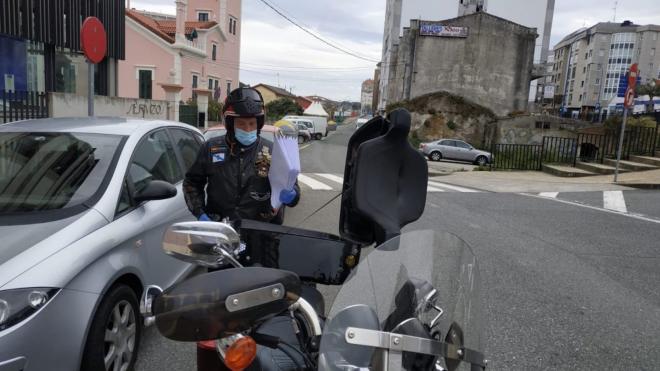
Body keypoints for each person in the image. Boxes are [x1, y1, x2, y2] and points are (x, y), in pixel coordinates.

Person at [183, 87, 300, 225]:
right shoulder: (211, 148)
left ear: (259, 122)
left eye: (252, 123)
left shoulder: (274, 151)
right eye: (241, 124)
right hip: (220, 228)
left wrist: (292, 195)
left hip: (261, 231)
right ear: (231, 124)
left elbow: (293, 187)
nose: (248, 129)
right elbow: (192, 183)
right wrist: (200, 213)